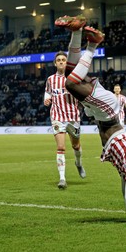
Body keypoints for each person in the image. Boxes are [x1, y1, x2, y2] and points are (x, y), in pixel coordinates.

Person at [55, 15, 126, 227]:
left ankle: (76, 32)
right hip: (108, 112)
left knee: (71, 74)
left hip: (103, 114)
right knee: (71, 84)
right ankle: (93, 45)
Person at [44, 50, 86, 190]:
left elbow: (83, 93)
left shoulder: (74, 78)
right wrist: (47, 98)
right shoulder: (51, 79)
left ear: (67, 62)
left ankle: (78, 163)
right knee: (61, 147)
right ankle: (62, 178)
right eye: (59, 60)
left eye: (63, 60)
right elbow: (48, 91)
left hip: (73, 116)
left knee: (76, 146)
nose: (61, 62)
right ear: (55, 63)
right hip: (57, 116)